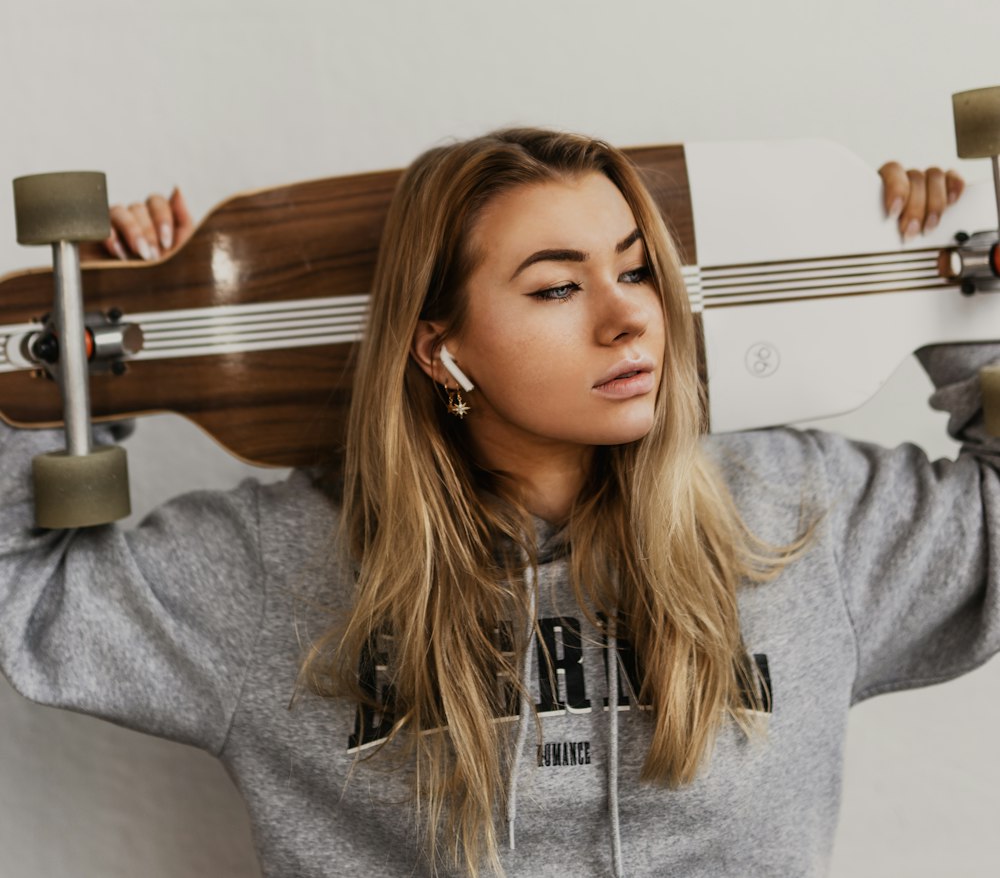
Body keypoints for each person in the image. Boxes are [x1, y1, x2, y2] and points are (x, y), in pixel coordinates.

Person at [0, 131, 988, 878]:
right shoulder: (277, 565)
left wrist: (940, 290)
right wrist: (95, 361)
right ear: (441, 348)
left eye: (638, 269)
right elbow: (23, 591)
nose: (628, 314)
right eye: (557, 287)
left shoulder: (794, 511)